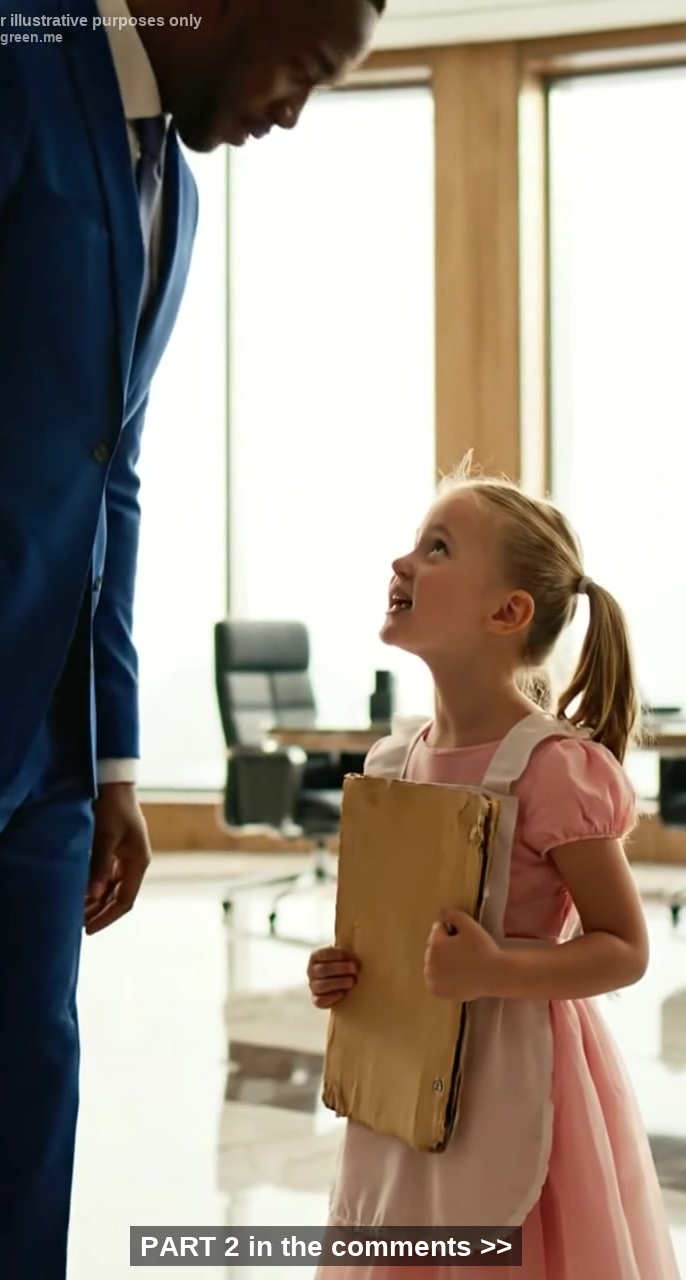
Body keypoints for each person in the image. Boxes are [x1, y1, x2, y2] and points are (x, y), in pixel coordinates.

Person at [0, 0, 383, 1276]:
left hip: (49, 750)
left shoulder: (180, 198)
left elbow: (115, 477)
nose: (292, 111)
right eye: (301, 70)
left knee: (26, 1087)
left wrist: (118, 768)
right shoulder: (3, 56)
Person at [307, 458, 679, 1279]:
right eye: (413, 545)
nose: (402, 564)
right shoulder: (393, 763)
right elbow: (389, 933)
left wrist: (498, 967)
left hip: (518, 1081)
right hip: (404, 1087)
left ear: (506, 611)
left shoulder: (554, 771)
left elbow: (624, 946)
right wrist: (345, 973)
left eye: (436, 549)